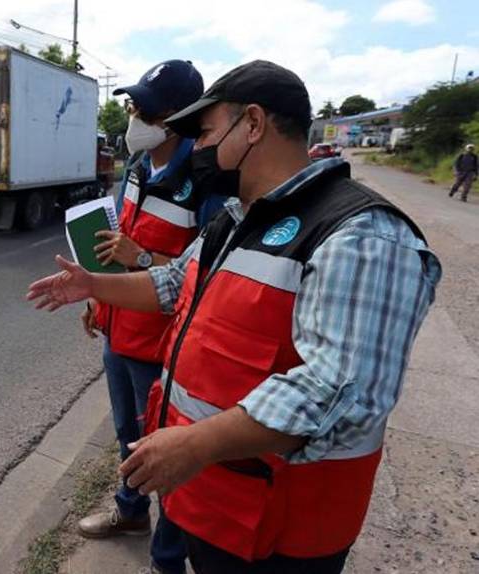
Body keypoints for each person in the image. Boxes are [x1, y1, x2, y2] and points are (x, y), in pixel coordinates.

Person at [27, 60, 441, 572]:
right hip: (217, 504)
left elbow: (342, 392)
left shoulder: (361, 237)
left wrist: (198, 444)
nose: (197, 149)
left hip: (282, 533)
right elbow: (174, 283)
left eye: (204, 132)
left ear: (252, 123)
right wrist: (94, 286)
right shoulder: (237, 217)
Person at [76, 59, 222, 574]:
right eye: (132, 106)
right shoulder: (138, 169)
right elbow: (115, 244)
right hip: (120, 333)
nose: (132, 117)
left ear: (176, 116)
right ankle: (131, 513)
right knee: (126, 433)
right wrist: (101, 298)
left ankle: (167, 559)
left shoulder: (205, 180)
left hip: (163, 348)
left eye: (142, 109)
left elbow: (210, 272)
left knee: (164, 452)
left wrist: (141, 258)